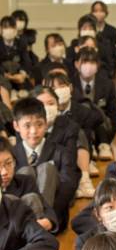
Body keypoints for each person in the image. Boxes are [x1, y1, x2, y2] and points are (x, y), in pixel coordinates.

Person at [12, 97, 80, 233]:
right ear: (16, 126)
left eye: (39, 124)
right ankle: (30, 223)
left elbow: (69, 185)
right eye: (27, 125)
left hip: (54, 218)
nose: (34, 131)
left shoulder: (62, 151)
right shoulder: (10, 155)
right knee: (25, 172)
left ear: (46, 124)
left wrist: (50, 213)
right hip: (20, 218)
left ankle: (43, 220)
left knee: (47, 168)